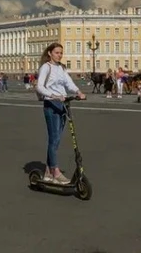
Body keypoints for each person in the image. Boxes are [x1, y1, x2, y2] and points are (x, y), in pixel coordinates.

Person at [35, 43, 86, 184]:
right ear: (50, 53)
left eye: (61, 53)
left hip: (62, 105)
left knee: (56, 140)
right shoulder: (46, 67)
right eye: (57, 52)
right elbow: (39, 87)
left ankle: (48, 171)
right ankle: (55, 172)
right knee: (54, 139)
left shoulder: (61, 68)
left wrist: (78, 92)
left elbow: (69, 83)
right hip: (51, 104)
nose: (59, 55)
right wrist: (53, 95)